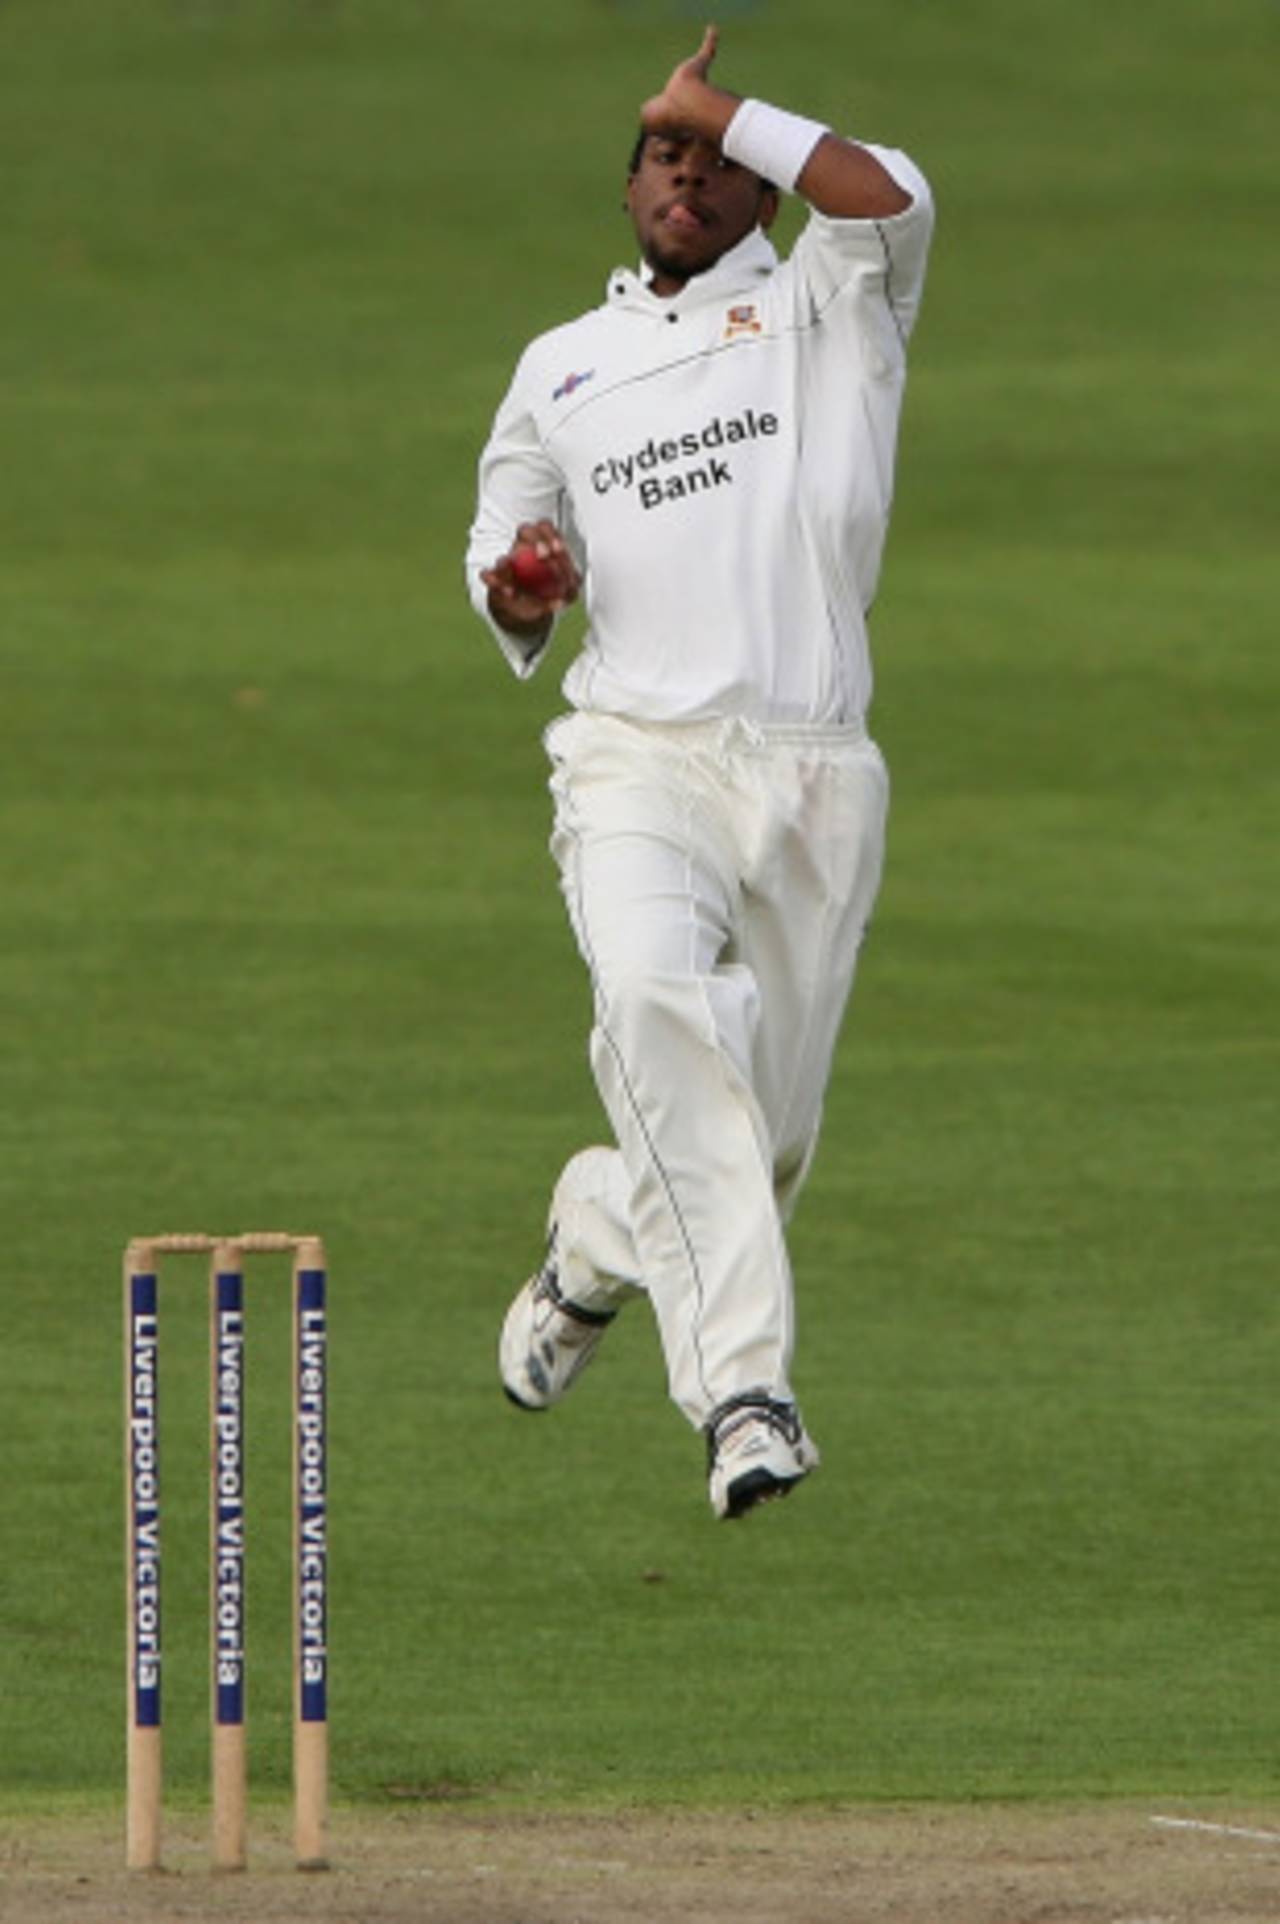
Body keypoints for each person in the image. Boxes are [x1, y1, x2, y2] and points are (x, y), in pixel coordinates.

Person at [465, 25, 934, 1519]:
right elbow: (505, 550)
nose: (691, 174)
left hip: (812, 767)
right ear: (628, 193)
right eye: (666, 154)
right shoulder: (562, 367)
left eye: (721, 162)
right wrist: (525, 587)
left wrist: (720, 101)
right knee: (657, 1007)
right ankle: (744, 1397)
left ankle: (595, 1235)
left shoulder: (831, 298)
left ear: (761, 197)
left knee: (753, 1147)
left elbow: (892, 197)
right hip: (635, 758)